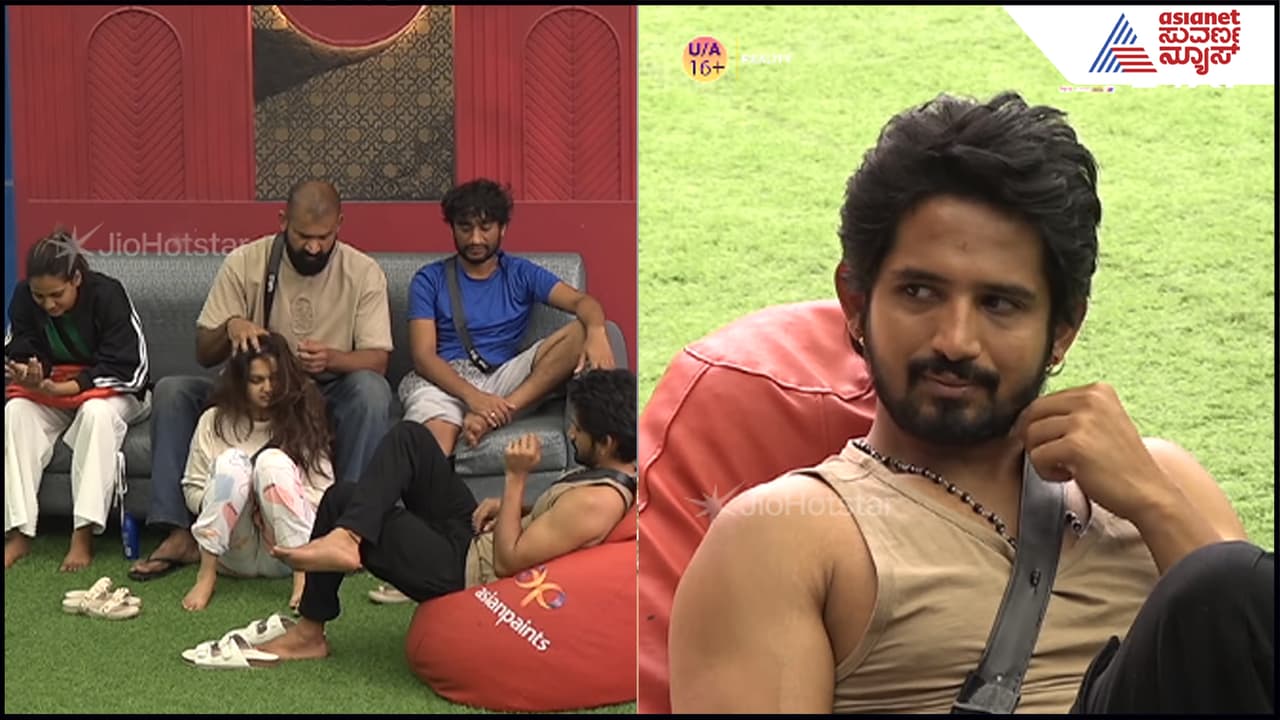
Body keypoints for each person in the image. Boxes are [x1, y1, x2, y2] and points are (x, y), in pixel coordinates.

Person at [665, 92, 1274, 713]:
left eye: (999, 304)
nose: (955, 341)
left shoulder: (1166, 485)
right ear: (856, 303)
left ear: (1063, 329)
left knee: (1223, 584)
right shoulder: (791, 538)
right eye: (919, 292)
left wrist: (1155, 504)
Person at [253, 368, 637, 661]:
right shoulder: (612, 477)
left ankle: (310, 634)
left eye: (579, 429)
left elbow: (507, 563)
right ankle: (348, 537)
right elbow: (556, 520)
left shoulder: (596, 503)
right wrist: (512, 507)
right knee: (410, 438)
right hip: (476, 540)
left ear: (607, 443)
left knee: (342, 499)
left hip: (465, 573)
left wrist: (515, 478)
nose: (571, 434)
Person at [128, 179, 394, 582]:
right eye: (303, 236)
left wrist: (333, 359)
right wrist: (231, 327)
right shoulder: (246, 261)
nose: (313, 247)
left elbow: (378, 360)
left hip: (323, 390)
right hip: (251, 391)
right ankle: (179, 532)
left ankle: (345, 533)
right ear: (282, 220)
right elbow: (204, 352)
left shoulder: (363, 271)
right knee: (173, 391)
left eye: (324, 237)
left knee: (371, 392)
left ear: (340, 224)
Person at [400, 178, 617, 457]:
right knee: (434, 449)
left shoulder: (520, 273)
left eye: (485, 228)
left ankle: (499, 415)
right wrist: (474, 398)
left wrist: (597, 332)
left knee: (580, 331)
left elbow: (582, 302)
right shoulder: (429, 279)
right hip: (443, 382)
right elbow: (423, 357)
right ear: (452, 228)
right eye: (465, 228)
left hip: (502, 378)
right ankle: (480, 423)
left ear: (502, 228)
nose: (475, 239)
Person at [5, 229, 152, 571]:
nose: (48, 305)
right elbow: (20, 346)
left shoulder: (108, 294)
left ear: (76, 278)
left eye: (57, 295)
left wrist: (69, 387)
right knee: (16, 411)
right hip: (54, 389)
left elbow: (133, 368)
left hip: (114, 391)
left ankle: (82, 532)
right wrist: (27, 370)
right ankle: (19, 532)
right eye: (40, 296)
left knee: (95, 413)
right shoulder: (24, 297)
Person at [179, 332, 334, 612]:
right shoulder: (214, 420)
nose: (268, 388)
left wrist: (271, 503)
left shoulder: (302, 418)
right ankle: (207, 575)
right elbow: (192, 488)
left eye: (274, 379)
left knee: (271, 462)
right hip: (232, 548)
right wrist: (235, 499)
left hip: (286, 552)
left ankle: (303, 579)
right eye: (256, 380)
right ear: (240, 382)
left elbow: (324, 491)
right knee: (233, 463)